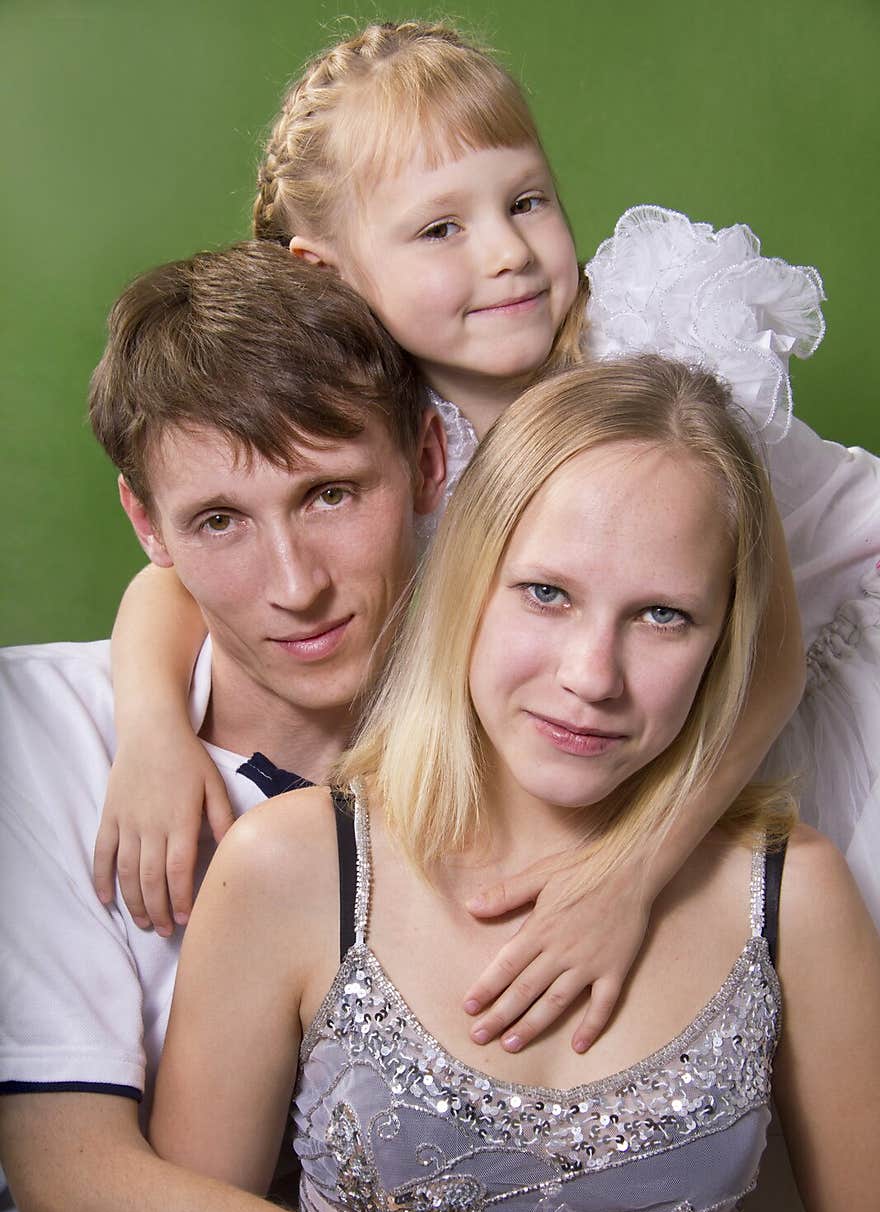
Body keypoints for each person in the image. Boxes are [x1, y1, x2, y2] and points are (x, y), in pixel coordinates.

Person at [0, 244, 783, 1212]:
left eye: (330, 495)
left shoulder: (542, 716)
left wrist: (641, 865)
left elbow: (753, 591)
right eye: (218, 522)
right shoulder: (34, 735)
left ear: (427, 460)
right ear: (149, 530)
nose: (295, 587)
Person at [99, 20, 878, 1062]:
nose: (507, 251)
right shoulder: (386, 427)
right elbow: (182, 577)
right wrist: (151, 725)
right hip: (660, 675)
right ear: (326, 269)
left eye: (524, 201)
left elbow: (769, 645)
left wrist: (630, 876)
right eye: (440, 230)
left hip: (818, 650)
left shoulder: (650, 359)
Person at [150, 356, 880, 1212]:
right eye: (546, 594)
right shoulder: (296, 869)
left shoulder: (793, 896)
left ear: (721, 638)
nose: (592, 675)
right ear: (469, 580)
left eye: (663, 616)